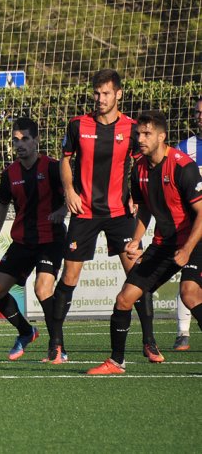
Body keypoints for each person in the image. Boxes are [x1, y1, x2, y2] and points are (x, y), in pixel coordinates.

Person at [54, 69, 160, 364]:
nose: (100, 99)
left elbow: (142, 165)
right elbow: (65, 160)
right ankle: (57, 344)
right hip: (84, 211)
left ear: (118, 94)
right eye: (97, 93)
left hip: (118, 213)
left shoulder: (131, 128)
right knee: (70, 278)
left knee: (137, 276)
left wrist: (135, 195)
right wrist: (69, 191)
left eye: (106, 93)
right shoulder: (78, 124)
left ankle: (150, 342)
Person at [88, 112, 202, 374]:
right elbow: (145, 210)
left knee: (190, 293)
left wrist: (186, 249)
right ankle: (116, 362)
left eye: (147, 134)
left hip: (196, 239)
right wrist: (137, 238)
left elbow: (201, 214)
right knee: (125, 298)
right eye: (138, 133)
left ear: (162, 137)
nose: (140, 138)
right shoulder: (139, 167)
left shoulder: (182, 166)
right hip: (164, 244)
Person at [0, 117, 68, 361]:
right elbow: (2, 206)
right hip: (23, 241)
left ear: (36, 141)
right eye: (15, 139)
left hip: (50, 239)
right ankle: (26, 331)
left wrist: (63, 211)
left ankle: (58, 347)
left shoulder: (53, 167)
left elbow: (72, 194)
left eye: (25, 139)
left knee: (42, 289)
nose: (19, 144)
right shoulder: (9, 173)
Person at [172, 95, 202, 351]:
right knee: (188, 286)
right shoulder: (185, 147)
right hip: (196, 228)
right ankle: (183, 333)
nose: (199, 116)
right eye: (197, 112)